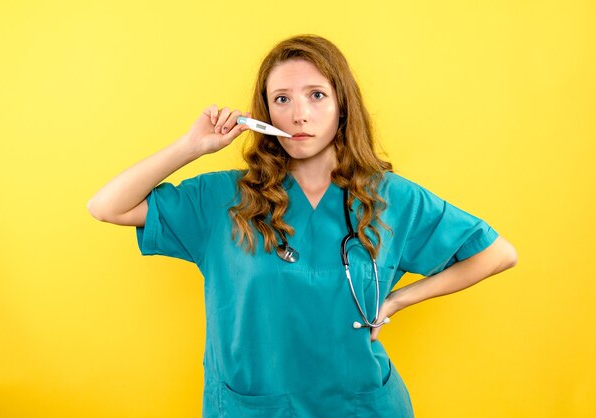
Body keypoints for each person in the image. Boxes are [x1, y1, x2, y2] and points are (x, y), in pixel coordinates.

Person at [88, 34, 517, 418]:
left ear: (341, 105)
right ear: (265, 112)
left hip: (361, 404)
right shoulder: (221, 199)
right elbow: (106, 206)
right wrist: (191, 146)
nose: (300, 115)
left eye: (316, 95)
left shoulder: (389, 197)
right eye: (282, 99)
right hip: (251, 406)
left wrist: (397, 301)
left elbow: (497, 253)